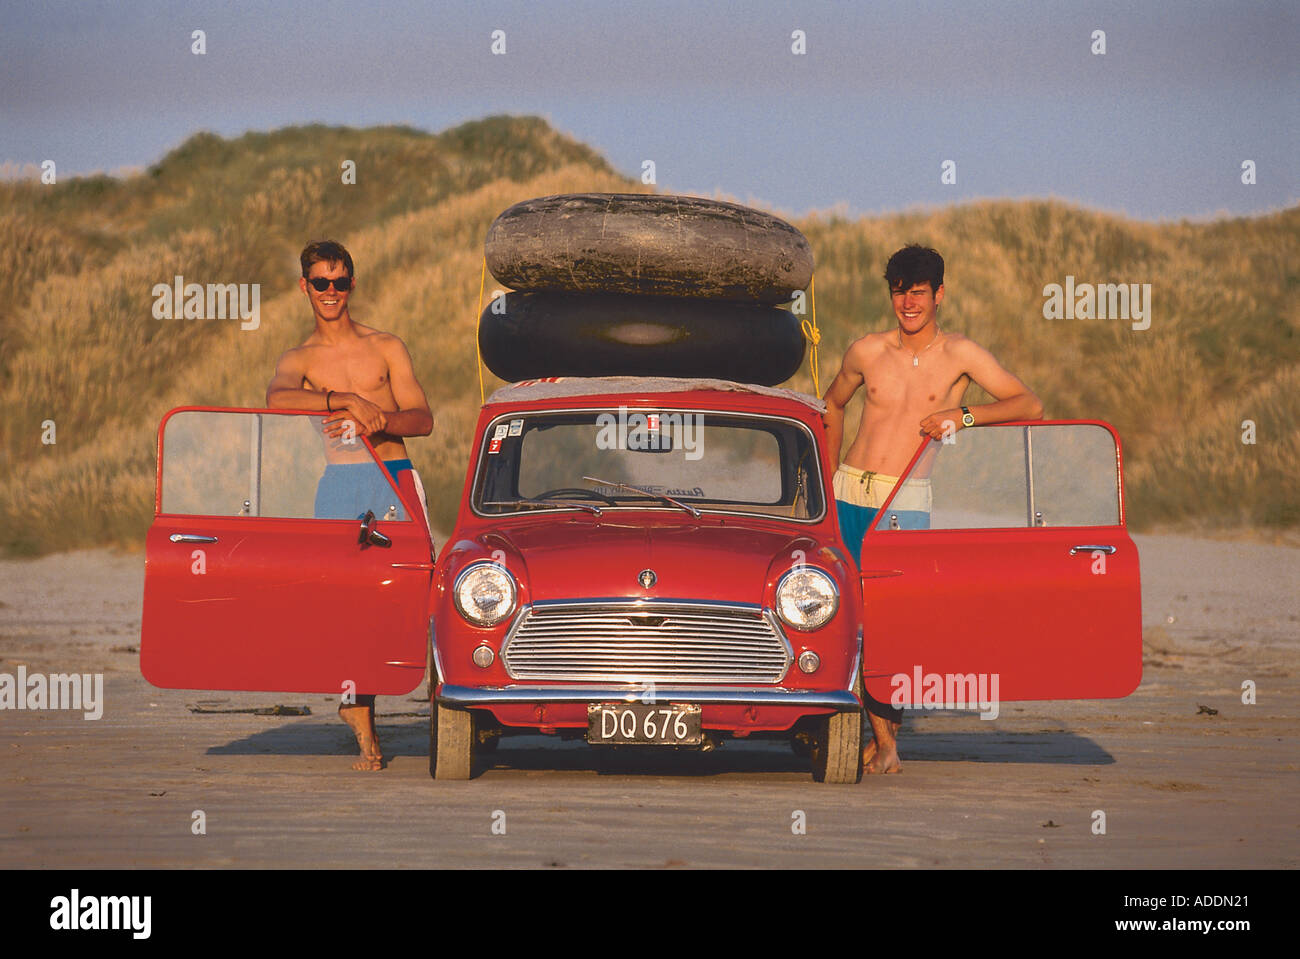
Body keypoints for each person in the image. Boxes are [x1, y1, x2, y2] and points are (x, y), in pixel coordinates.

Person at [822, 244, 1042, 773]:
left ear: (939, 294)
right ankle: (880, 740)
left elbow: (1028, 403)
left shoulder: (961, 355)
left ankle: (885, 741)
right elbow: (832, 403)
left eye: (918, 292)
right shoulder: (866, 351)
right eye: (899, 291)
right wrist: (826, 484)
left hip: (906, 500)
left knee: (890, 622)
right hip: (850, 491)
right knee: (847, 615)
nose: (908, 303)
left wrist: (960, 417)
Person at [266, 239, 434, 771]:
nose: (331, 292)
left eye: (339, 282)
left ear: (352, 285)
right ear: (304, 287)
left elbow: (423, 417)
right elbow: (276, 400)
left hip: (393, 476)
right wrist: (344, 400)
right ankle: (365, 731)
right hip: (339, 483)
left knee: (414, 590)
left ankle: (454, 707)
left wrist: (381, 419)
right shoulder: (298, 359)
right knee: (346, 605)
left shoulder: (387, 346)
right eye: (321, 282)